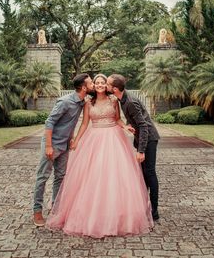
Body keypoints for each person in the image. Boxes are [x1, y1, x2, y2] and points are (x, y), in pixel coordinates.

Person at [46, 74, 154, 237]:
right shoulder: (88, 103)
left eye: (103, 82)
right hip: (94, 138)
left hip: (114, 138)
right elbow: (84, 124)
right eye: (97, 82)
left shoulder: (114, 101)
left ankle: (118, 213)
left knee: (115, 175)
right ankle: (90, 212)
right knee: (93, 175)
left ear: (107, 86)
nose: (100, 84)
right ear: (94, 86)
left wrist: (125, 127)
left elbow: (117, 119)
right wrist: (76, 140)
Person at [33, 73, 94, 227]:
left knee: (60, 177)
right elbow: (49, 122)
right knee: (42, 177)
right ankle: (37, 211)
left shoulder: (82, 102)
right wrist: (48, 146)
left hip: (65, 146)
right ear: (84, 87)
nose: (93, 84)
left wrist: (72, 137)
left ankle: (55, 208)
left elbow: (71, 122)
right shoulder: (65, 102)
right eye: (91, 83)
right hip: (52, 145)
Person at [107, 74, 160, 221]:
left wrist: (141, 150)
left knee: (149, 173)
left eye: (107, 84)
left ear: (115, 88)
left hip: (149, 139)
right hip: (141, 139)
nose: (105, 85)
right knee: (143, 174)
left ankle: (154, 211)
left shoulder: (129, 102)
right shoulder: (121, 98)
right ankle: (144, 206)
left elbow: (144, 125)